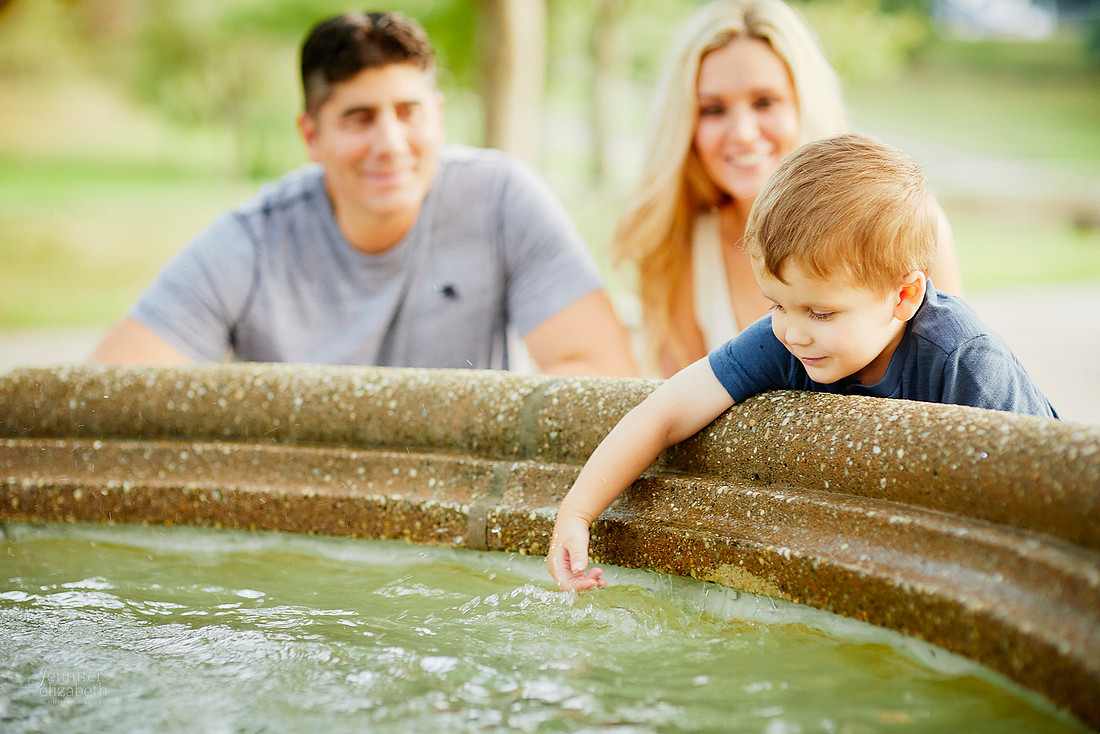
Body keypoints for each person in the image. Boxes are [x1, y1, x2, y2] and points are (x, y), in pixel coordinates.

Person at [546, 134, 1057, 592]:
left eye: (820, 311)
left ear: (903, 295)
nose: (791, 330)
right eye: (775, 304)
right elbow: (664, 412)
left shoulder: (965, 361)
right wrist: (579, 511)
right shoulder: (790, 337)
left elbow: (1037, 491)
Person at [89, 11, 637, 377]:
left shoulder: (500, 200)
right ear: (311, 136)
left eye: (407, 113)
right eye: (359, 118)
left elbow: (601, 372)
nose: (390, 144)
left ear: (438, 119)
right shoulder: (252, 240)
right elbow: (111, 397)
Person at [613, 0, 964, 376]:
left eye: (765, 102)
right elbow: (680, 412)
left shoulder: (906, 226)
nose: (744, 134)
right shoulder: (676, 247)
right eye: (713, 110)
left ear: (805, 105)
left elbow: (950, 388)